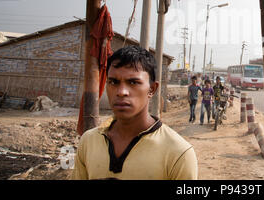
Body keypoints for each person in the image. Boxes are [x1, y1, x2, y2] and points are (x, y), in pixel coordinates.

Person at [72, 46, 198, 180]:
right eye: (113, 82)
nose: (121, 92)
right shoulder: (89, 141)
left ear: (152, 89)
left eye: (133, 82)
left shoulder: (178, 153)